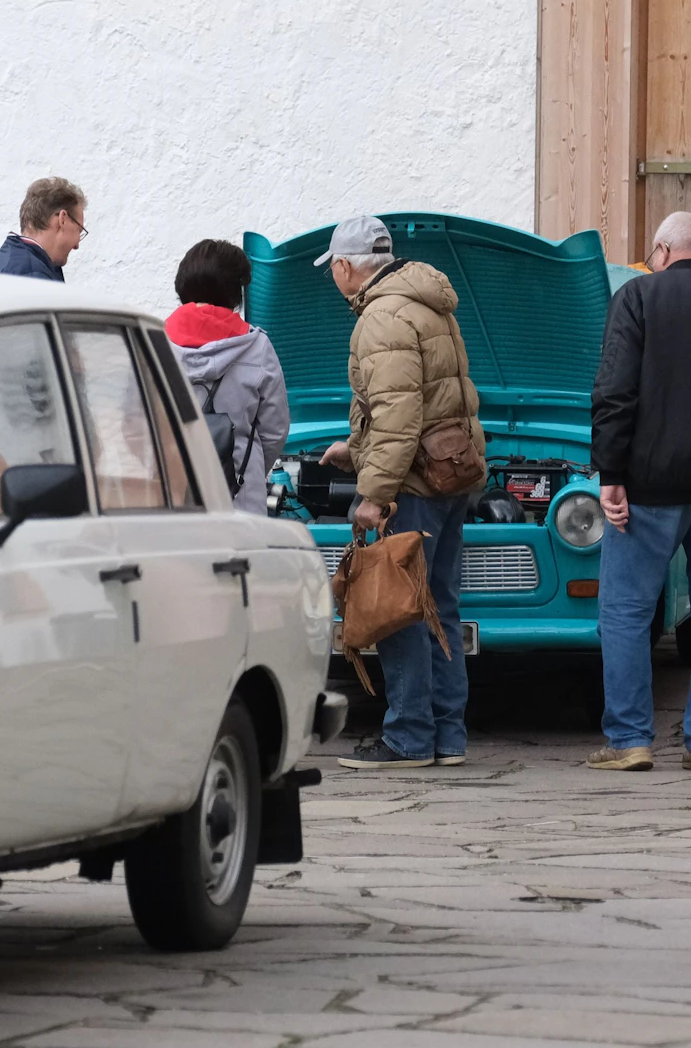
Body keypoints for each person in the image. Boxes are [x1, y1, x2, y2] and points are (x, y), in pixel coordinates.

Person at [586, 212, 691, 773]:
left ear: (661, 251)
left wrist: (610, 473)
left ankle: (629, 740)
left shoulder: (637, 297)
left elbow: (614, 390)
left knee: (626, 612)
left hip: (651, 484)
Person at [316, 216, 487, 770]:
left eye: (333, 267)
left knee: (400, 609)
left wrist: (374, 493)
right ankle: (448, 736)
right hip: (449, 475)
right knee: (440, 606)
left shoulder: (382, 317)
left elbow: (397, 414)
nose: (334, 276)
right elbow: (424, 401)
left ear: (346, 265)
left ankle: (409, 737)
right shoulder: (427, 303)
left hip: (411, 485)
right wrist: (354, 446)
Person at [164, 239, 288, 513]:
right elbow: (274, 430)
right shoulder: (257, 347)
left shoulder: (153, 342)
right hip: (241, 501)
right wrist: (247, 471)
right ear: (235, 292)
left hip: (173, 499)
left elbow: (132, 423)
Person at [0, 178, 86, 281]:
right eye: (78, 230)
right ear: (63, 219)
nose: (76, 246)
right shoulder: (32, 276)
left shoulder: (6, 263)